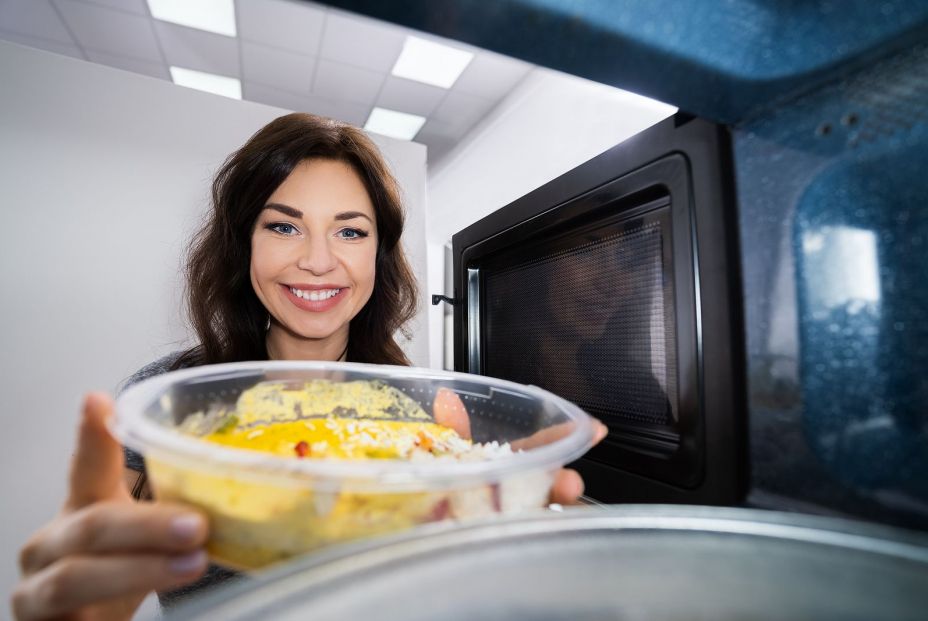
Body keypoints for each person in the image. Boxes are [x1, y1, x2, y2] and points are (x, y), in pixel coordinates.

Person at [11, 113, 607, 621]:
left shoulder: (426, 414)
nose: (318, 261)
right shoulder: (174, 402)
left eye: (349, 231)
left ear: (378, 254)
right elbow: (110, 553)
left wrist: (531, 543)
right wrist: (82, 596)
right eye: (283, 225)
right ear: (244, 243)